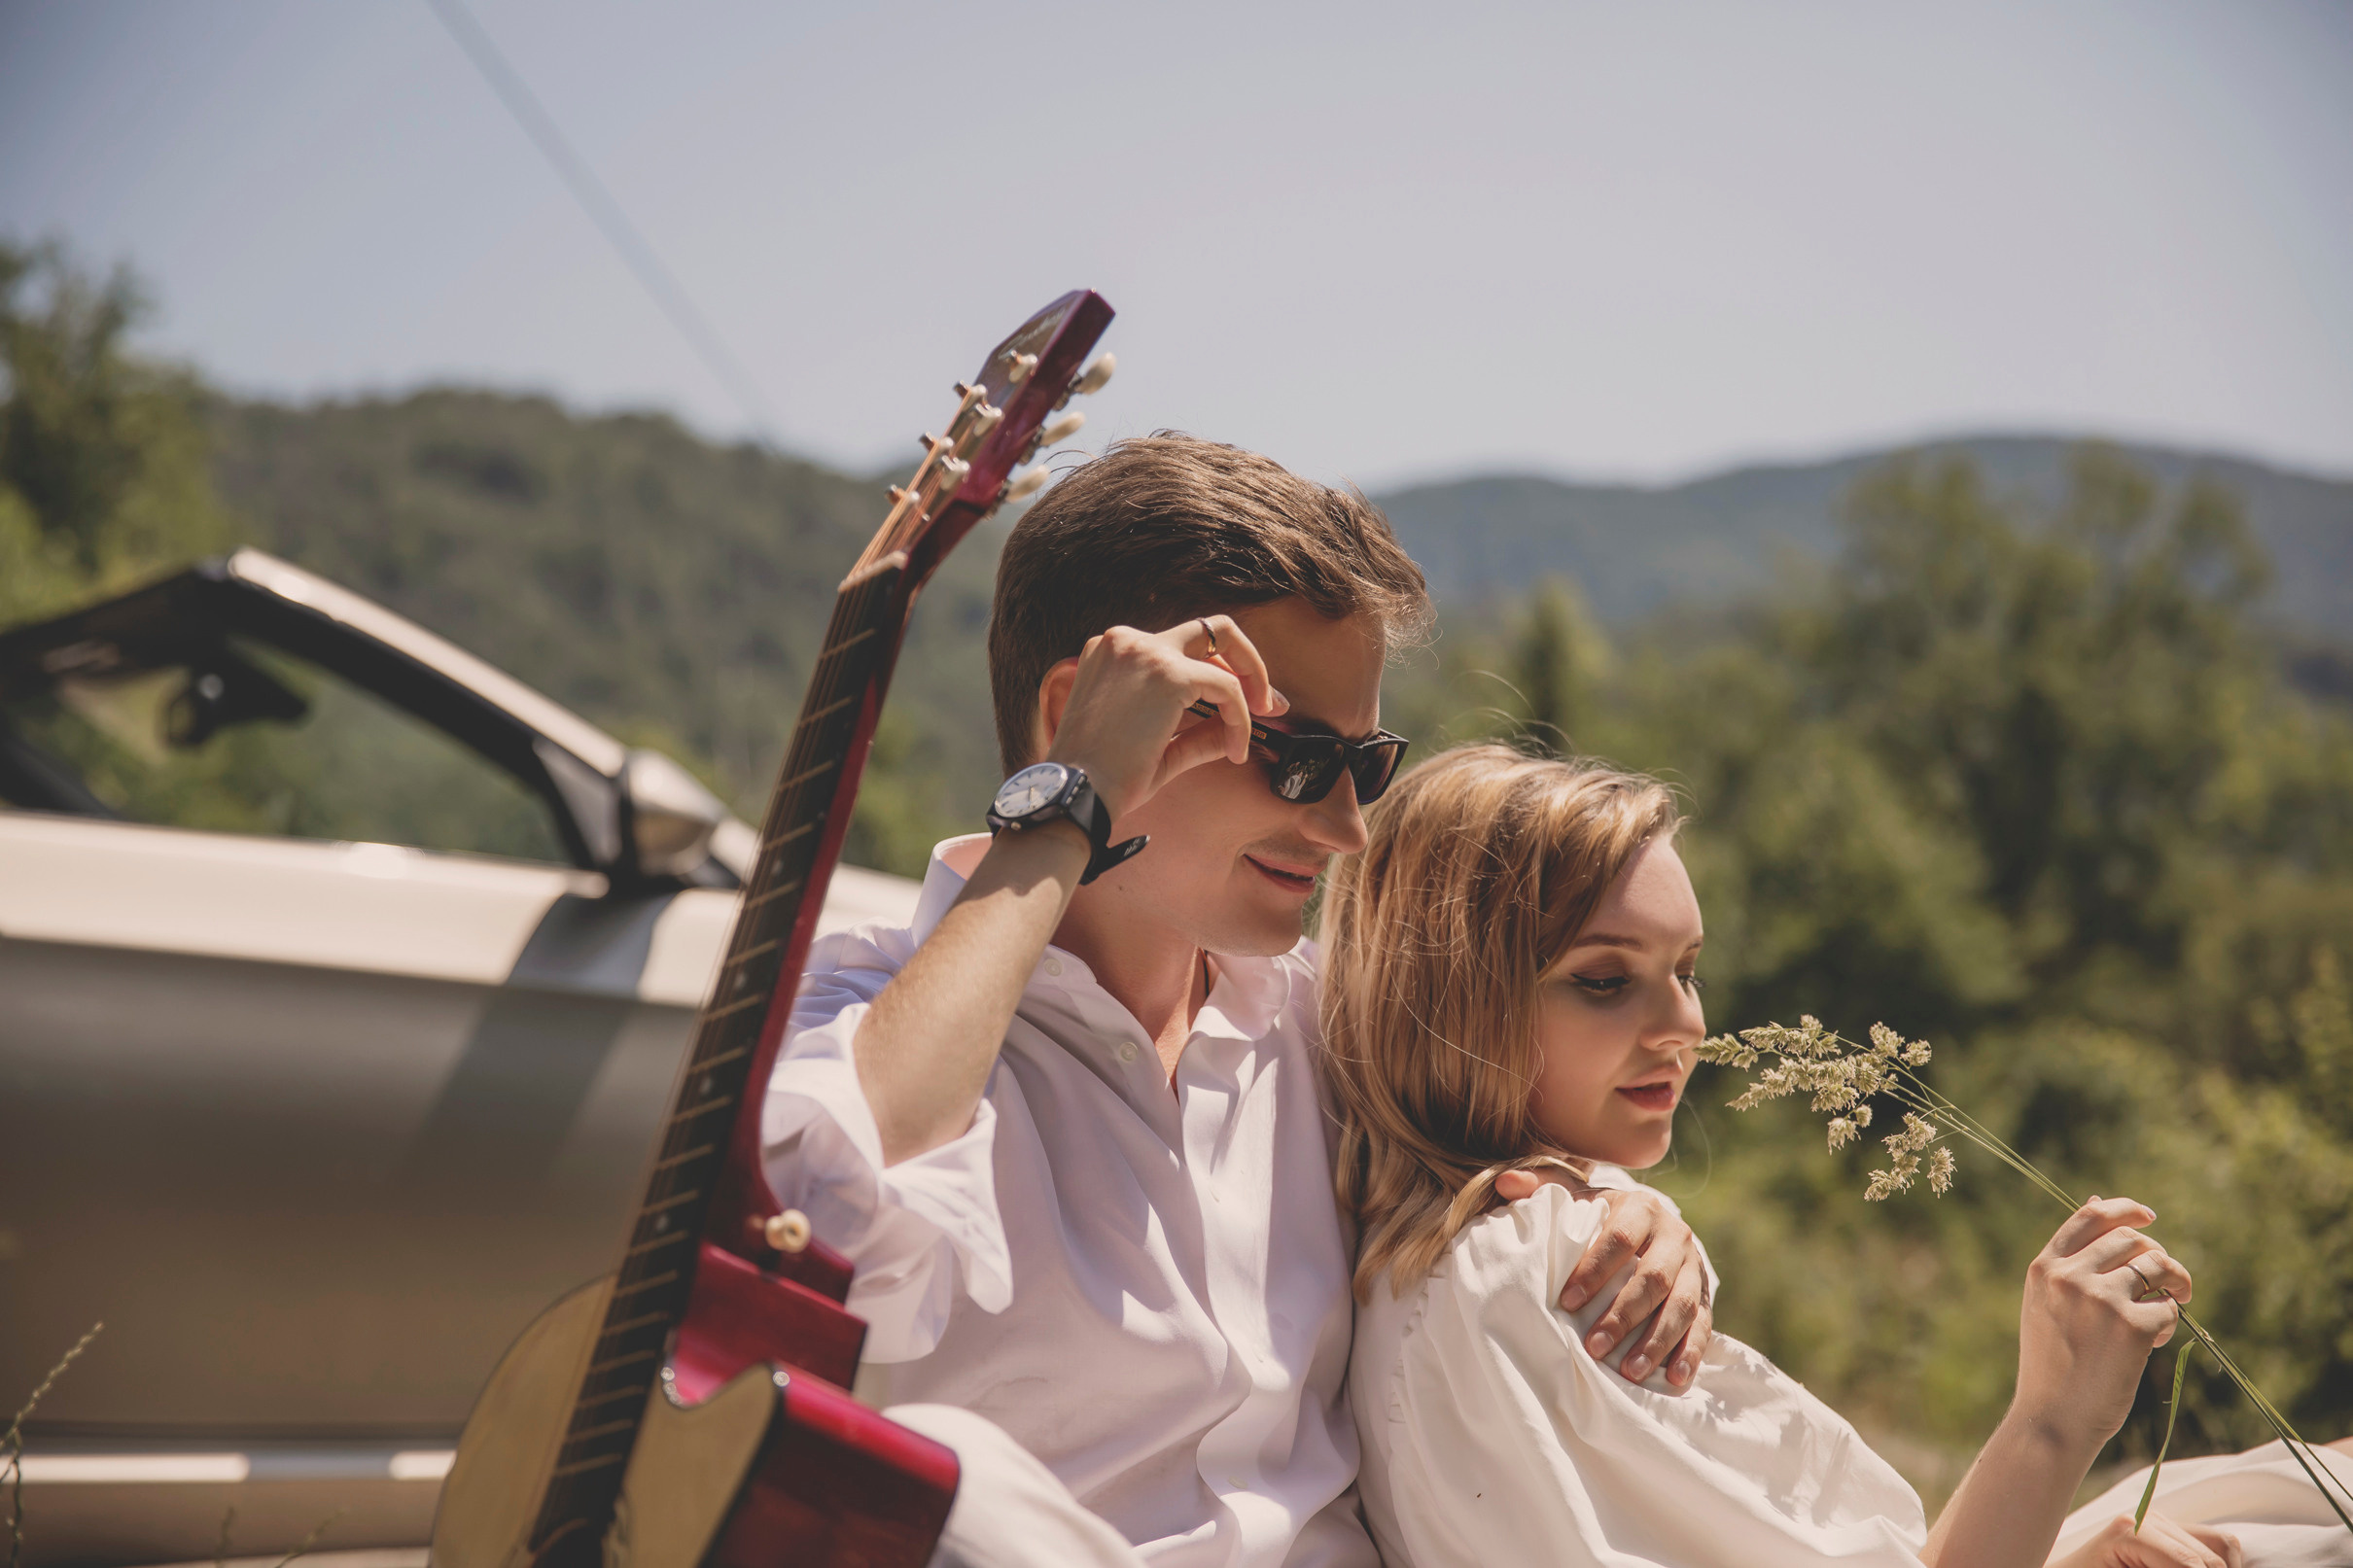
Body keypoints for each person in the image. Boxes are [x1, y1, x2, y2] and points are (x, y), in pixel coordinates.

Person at [760, 437, 1722, 1567]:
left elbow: (1501, 1157)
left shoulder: (1326, 1030)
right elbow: (805, 1220)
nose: (1346, 826)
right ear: (1087, 716)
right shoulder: (861, 1016)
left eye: (1364, 762)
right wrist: (1069, 808)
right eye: (1296, 756)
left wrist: (1627, 1214)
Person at [1322, 744, 2353, 1568]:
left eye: (1684, 968)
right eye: (1603, 980)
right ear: (1449, 998)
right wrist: (2054, 1413)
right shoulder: (1539, 1276)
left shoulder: (1496, 1245)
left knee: (2296, 1488)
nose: (1680, 1023)